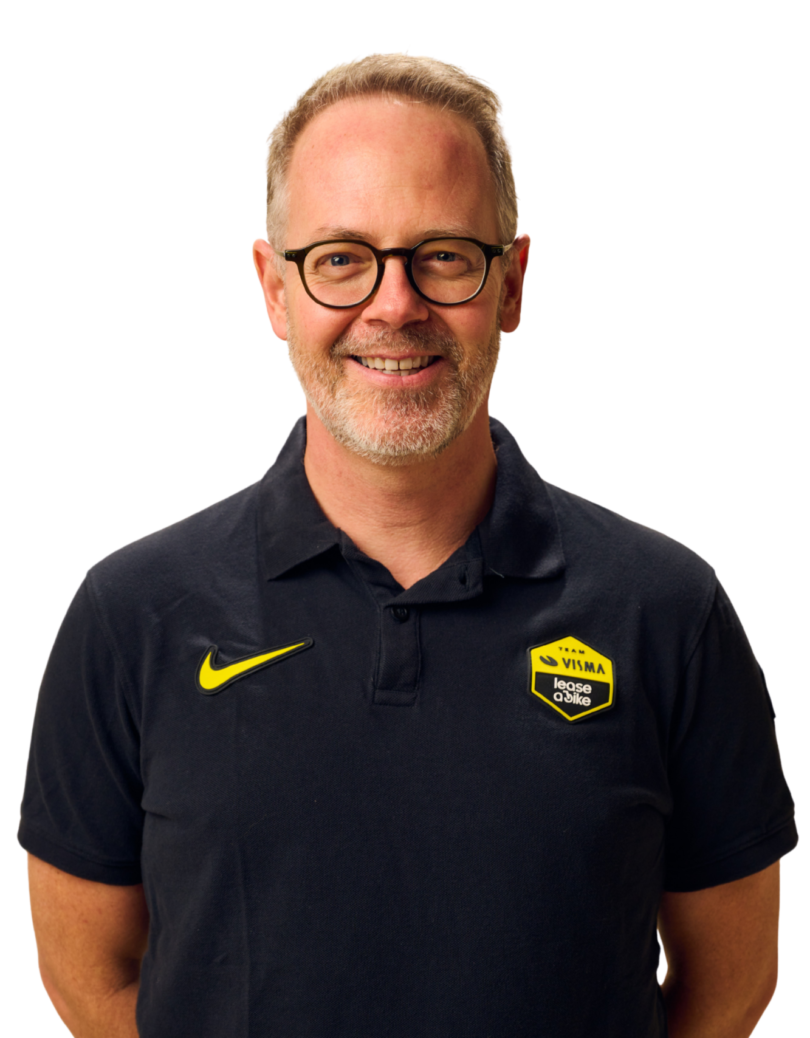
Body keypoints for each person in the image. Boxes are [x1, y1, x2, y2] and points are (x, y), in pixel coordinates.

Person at [20, 51, 797, 1038]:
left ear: (513, 283)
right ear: (274, 289)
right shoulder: (128, 614)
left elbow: (732, 985)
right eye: (342, 258)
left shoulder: (669, 610)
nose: (395, 305)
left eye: (443, 255)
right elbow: (88, 979)